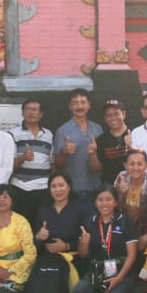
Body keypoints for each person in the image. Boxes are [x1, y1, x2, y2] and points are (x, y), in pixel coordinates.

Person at [71, 187, 137, 293]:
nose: (104, 203)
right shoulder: (90, 221)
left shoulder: (125, 222)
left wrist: (119, 278)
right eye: (100, 200)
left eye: (108, 199)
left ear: (115, 202)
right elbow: (83, 254)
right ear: (95, 202)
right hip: (97, 272)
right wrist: (84, 242)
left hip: (120, 272)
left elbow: (132, 255)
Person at [32, 172, 85, 293]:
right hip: (48, 260)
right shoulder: (43, 210)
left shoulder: (80, 209)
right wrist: (39, 236)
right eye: (53, 186)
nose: (58, 190)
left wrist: (66, 246)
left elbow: (86, 240)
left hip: (73, 260)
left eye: (61, 185)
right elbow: (34, 241)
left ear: (69, 187)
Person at [0, 184, 37, 293]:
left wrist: (9, 271)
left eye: (6, 197)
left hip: (15, 274)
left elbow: (31, 254)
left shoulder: (21, 221)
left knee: (2, 292)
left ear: (12, 200)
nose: (1, 200)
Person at [53, 88, 103, 216]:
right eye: (75, 103)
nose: (79, 106)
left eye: (83, 102)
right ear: (70, 106)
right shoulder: (62, 131)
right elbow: (58, 165)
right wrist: (64, 152)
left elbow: (103, 162)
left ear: (89, 105)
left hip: (97, 190)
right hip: (74, 191)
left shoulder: (98, 129)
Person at [8, 99, 54, 226]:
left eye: (35, 110)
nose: (31, 112)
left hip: (43, 189)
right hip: (20, 188)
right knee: (21, 227)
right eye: (28, 109)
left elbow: (51, 163)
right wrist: (23, 157)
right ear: (22, 112)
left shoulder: (48, 134)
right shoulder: (12, 134)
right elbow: (8, 165)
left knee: (41, 226)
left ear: (41, 114)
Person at [92, 99, 132, 185]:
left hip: (133, 184)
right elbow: (96, 169)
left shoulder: (135, 134)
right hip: (109, 186)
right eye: (109, 115)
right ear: (105, 118)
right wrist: (92, 154)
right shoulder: (100, 140)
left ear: (123, 114)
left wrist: (131, 147)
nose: (113, 118)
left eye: (116, 114)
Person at [115, 148, 147, 220]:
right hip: (123, 221)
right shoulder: (122, 177)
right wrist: (120, 193)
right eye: (131, 164)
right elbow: (116, 207)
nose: (135, 168)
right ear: (125, 165)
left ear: (146, 166)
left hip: (142, 222)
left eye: (140, 164)